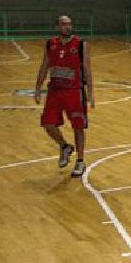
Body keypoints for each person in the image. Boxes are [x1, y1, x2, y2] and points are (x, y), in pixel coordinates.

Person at [33, 15, 94, 177]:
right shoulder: (50, 44)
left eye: (69, 24)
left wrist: (91, 92)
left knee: (78, 127)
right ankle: (64, 146)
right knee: (48, 123)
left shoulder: (81, 44)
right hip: (55, 90)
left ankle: (80, 161)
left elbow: (87, 69)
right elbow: (44, 65)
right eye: (64, 24)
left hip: (74, 91)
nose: (67, 27)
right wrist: (38, 87)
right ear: (57, 27)